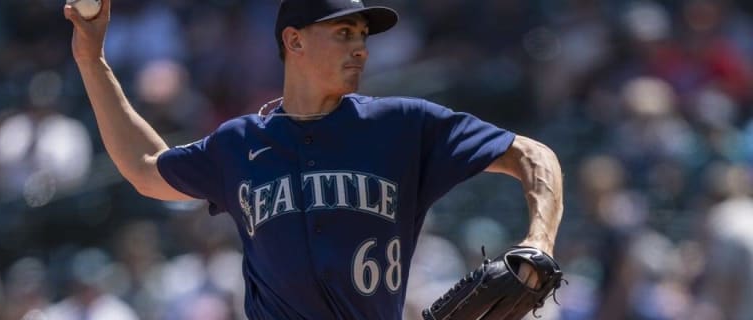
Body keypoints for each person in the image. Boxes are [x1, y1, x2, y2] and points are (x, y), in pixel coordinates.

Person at [63, 0, 564, 318]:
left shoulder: (403, 125)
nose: (361, 48)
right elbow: (148, 166)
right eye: (344, 33)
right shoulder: (240, 142)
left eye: (363, 36)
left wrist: (539, 238)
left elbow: (531, 154)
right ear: (294, 40)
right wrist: (92, 59)